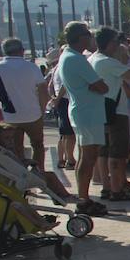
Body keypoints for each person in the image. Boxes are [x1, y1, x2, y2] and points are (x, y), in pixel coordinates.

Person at [55, 22, 110, 216]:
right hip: (88, 114)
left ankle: (83, 197)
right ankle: (84, 200)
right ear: (81, 37)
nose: (91, 38)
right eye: (88, 34)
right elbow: (102, 87)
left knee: (85, 157)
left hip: (83, 112)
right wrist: (95, 86)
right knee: (88, 158)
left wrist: (93, 86)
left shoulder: (67, 56)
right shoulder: (76, 59)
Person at [90, 27, 130, 200]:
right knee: (117, 153)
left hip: (101, 110)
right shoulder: (108, 62)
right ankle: (117, 190)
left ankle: (107, 187)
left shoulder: (93, 59)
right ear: (110, 43)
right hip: (116, 112)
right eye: (117, 42)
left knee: (104, 152)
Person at [0, 38, 47, 164]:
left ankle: (19, 172)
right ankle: (38, 171)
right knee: (38, 145)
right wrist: (42, 110)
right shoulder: (31, 67)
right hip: (33, 114)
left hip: (9, 116)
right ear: (22, 51)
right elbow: (43, 91)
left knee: (15, 147)